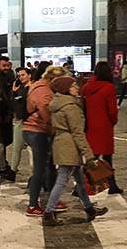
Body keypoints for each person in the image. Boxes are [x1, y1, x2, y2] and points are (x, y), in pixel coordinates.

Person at [43, 76, 108, 226]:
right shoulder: (70, 107)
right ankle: (48, 212)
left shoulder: (58, 104)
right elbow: (78, 132)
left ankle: (89, 208)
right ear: (66, 88)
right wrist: (89, 155)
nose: (76, 88)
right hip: (69, 146)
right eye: (73, 86)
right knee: (62, 180)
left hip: (61, 143)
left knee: (79, 180)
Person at [24, 65, 68, 216]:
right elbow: (45, 113)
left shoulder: (42, 87)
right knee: (40, 169)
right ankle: (32, 205)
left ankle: (52, 199)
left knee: (48, 166)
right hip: (37, 131)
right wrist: (57, 126)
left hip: (39, 130)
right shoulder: (42, 90)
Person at [82, 61, 121, 194]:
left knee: (93, 157)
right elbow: (112, 111)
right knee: (107, 157)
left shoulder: (87, 87)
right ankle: (112, 184)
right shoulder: (109, 87)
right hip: (104, 126)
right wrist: (113, 121)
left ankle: (82, 186)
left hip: (90, 126)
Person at [7, 66, 31, 182]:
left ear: (29, 75)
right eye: (19, 75)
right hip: (19, 121)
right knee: (16, 148)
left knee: (32, 150)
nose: (21, 77)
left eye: (23, 75)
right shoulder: (19, 88)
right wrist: (13, 92)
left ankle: (35, 175)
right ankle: (13, 171)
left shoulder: (32, 88)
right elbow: (13, 105)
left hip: (30, 122)